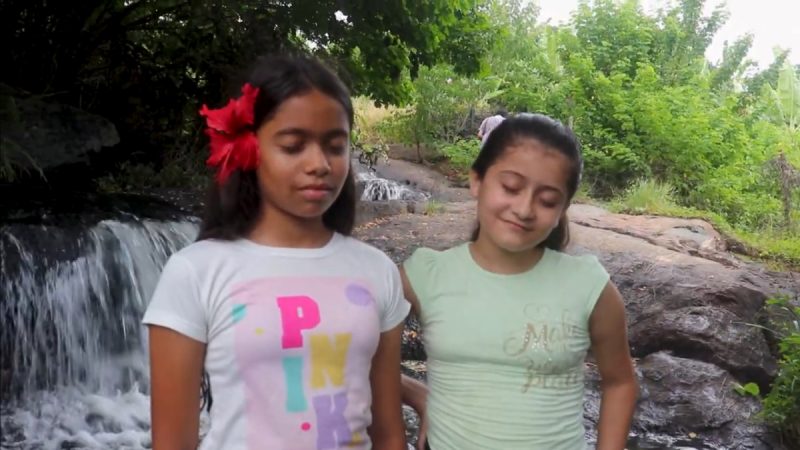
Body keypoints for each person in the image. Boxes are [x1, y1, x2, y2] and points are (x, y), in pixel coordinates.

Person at [143, 54, 409, 450]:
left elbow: (388, 432)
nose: (319, 164)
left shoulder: (377, 271)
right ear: (248, 148)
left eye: (335, 147)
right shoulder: (196, 272)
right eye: (293, 146)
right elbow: (173, 442)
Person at [401, 114, 638, 450]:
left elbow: (619, 383)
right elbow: (345, 343)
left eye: (547, 201)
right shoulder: (426, 273)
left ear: (563, 209)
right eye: (510, 187)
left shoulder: (588, 286)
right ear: (477, 181)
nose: (525, 209)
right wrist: (413, 392)